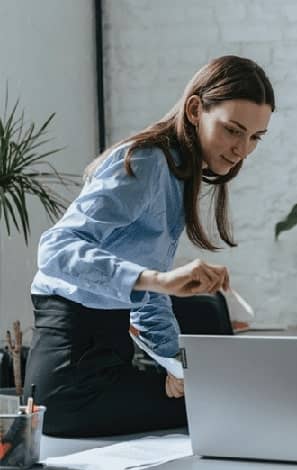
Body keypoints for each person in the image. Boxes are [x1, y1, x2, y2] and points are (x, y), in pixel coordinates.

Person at [25, 55, 275, 437]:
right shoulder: (148, 162)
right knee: (226, 407)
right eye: (232, 130)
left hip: (105, 362)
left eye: (255, 137)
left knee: (222, 401)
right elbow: (56, 249)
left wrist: (178, 367)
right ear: (195, 110)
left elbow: (147, 298)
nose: (242, 149)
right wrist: (157, 279)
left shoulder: (175, 172)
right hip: (71, 377)